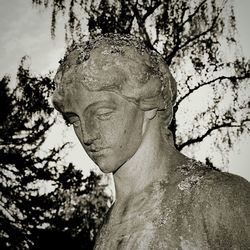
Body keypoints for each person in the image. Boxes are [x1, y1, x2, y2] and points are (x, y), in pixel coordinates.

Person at [52, 34, 250, 249]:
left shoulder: (222, 198)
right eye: (75, 121)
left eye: (103, 113)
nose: (88, 135)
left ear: (148, 101)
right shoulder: (107, 228)